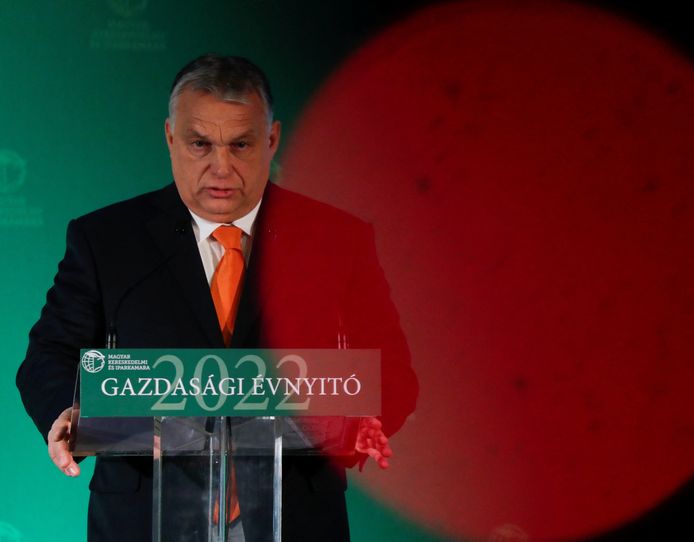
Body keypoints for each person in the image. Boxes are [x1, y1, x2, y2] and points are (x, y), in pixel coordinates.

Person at [16, 53, 418, 541]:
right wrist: (67, 411)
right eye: (200, 144)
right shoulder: (105, 240)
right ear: (170, 138)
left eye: (241, 144)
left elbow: (392, 368)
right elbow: (48, 356)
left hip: (295, 514)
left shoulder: (338, 240)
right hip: (145, 515)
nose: (221, 167)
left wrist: (365, 418)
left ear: (271, 140)